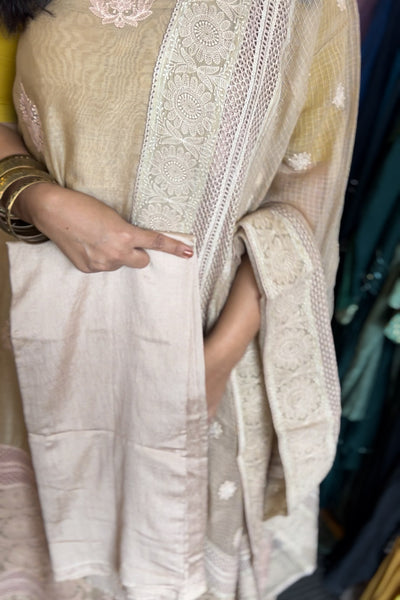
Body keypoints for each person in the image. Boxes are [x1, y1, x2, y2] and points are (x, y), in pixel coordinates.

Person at [0, 0, 360, 598]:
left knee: (157, 558)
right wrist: (36, 196)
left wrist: (214, 363)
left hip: (198, 351)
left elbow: (308, 194)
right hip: (37, 329)